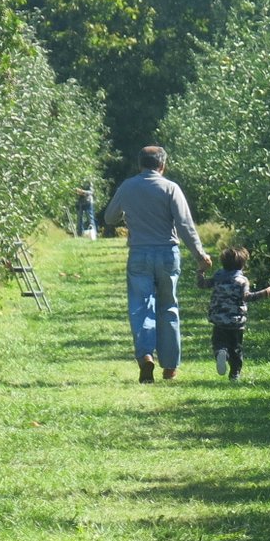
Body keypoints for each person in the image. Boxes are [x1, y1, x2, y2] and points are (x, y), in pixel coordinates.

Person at [104, 145, 213, 383]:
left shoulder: (127, 187)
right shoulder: (170, 188)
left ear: (140, 164)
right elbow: (185, 225)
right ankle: (170, 366)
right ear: (162, 165)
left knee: (140, 306)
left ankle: (145, 356)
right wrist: (200, 254)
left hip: (139, 254)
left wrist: (130, 215)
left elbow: (109, 217)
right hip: (167, 253)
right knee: (168, 307)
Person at [197, 246, 270, 381]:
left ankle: (221, 353)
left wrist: (201, 271)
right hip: (236, 322)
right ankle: (235, 374)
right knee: (236, 349)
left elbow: (202, 284)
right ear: (243, 264)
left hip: (219, 320)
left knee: (219, 343)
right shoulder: (242, 281)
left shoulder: (218, 277)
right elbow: (247, 297)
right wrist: (264, 293)